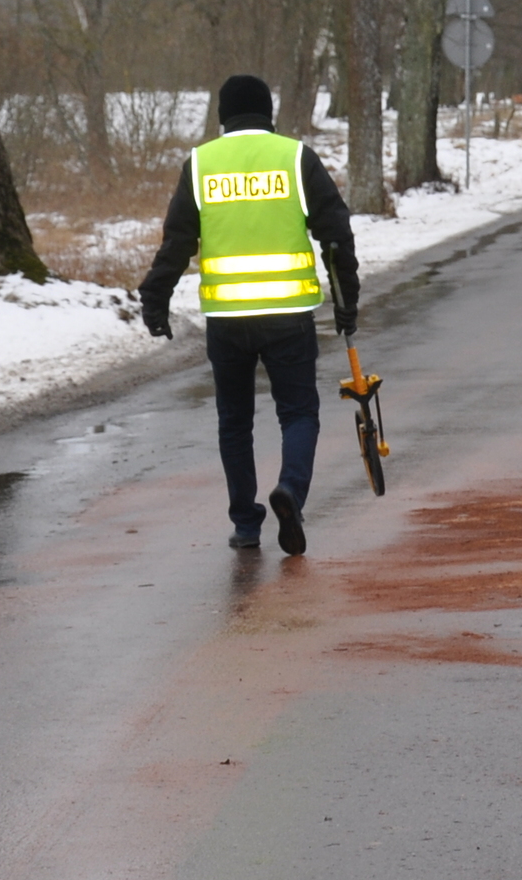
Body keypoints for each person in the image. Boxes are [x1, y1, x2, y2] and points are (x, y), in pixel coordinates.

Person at [139, 74, 360, 555]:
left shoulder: (200, 165)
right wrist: (347, 299)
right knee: (299, 413)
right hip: (288, 316)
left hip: (227, 320)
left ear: (223, 117)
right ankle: (290, 493)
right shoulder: (295, 157)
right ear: (268, 113)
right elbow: (336, 235)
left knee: (234, 421)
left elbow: (177, 243)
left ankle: (245, 522)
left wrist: (154, 299)